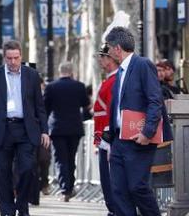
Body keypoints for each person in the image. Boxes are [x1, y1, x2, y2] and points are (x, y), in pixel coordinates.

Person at [106, 26, 172, 216]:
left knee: (137, 187)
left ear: (117, 48)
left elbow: (154, 100)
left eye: (109, 48)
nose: (108, 52)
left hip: (139, 139)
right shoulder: (120, 71)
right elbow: (117, 106)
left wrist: (147, 132)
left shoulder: (142, 65)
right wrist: (111, 142)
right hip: (119, 141)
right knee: (118, 191)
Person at [0, 40, 49, 216]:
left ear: (21, 56)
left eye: (16, 58)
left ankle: (22, 205)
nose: (13, 62)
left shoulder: (32, 75)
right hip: (2, 129)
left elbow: (39, 106)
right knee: (3, 174)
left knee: (27, 168)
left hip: (26, 129)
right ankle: (7, 211)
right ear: (4, 57)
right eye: (9, 58)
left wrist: (44, 131)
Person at [43, 61, 89, 201]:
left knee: (60, 159)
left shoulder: (51, 87)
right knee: (71, 158)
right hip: (74, 128)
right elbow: (86, 105)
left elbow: (45, 108)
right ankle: (70, 185)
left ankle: (65, 189)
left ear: (59, 71)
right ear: (72, 72)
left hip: (57, 128)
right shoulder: (79, 86)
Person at [93, 43, 120, 216]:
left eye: (102, 57)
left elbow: (111, 112)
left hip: (107, 139)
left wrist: (108, 142)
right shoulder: (110, 80)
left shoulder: (112, 81)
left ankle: (115, 210)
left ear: (109, 59)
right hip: (104, 138)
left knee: (109, 180)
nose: (100, 60)